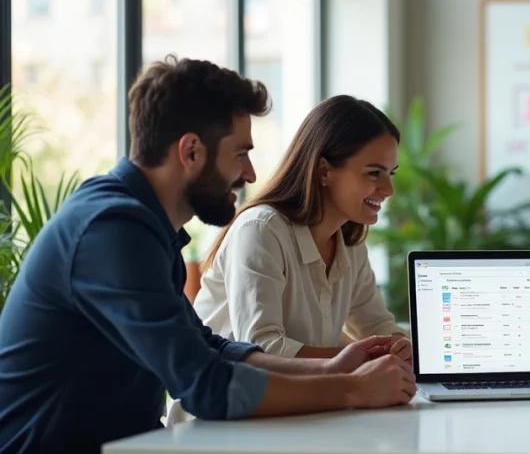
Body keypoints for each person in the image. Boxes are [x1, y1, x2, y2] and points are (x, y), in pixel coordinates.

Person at [0, 57, 415, 454]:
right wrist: (353, 388)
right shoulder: (111, 229)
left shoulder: (145, 228)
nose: (251, 175)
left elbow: (210, 348)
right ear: (191, 151)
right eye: (241, 154)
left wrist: (335, 367)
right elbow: (206, 385)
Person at [163, 95, 409, 423]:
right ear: (324, 170)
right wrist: (359, 362)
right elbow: (261, 346)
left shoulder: (349, 242)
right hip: (221, 425)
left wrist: (399, 350)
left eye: (390, 173)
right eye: (374, 173)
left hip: (302, 412)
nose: (389, 189)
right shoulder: (262, 230)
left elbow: (376, 325)